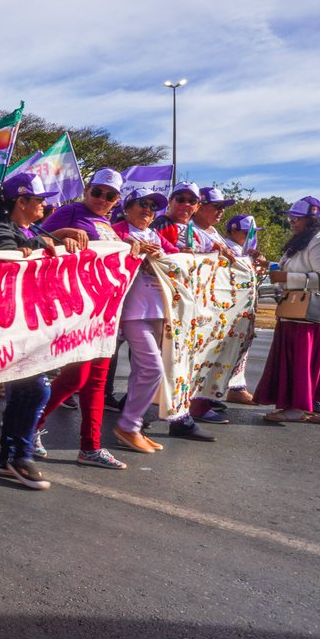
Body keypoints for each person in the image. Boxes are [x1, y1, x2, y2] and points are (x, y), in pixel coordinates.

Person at [0, 172, 81, 489]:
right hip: (10, 324)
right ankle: (17, 455)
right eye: (39, 200)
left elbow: (44, 246)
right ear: (21, 201)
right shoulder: (0, 232)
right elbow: (7, 267)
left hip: (31, 322)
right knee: (34, 388)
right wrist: (39, 249)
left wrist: (61, 242)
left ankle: (12, 456)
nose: (44, 206)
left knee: (29, 390)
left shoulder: (31, 230)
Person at [34, 168, 132, 469]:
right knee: (76, 376)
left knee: (97, 381)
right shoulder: (71, 211)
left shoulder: (108, 225)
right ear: (86, 191)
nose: (102, 199)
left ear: (117, 201)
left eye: (110, 195)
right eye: (97, 192)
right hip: (77, 309)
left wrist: (132, 250)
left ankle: (90, 447)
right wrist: (63, 234)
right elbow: (36, 238)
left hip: (104, 310)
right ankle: (31, 424)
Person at [252, 196, 320, 423]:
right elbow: (289, 268)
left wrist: (287, 277)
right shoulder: (301, 241)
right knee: (308, 363)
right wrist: (268, 265)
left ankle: (297, 408)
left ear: (311, 220)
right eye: (291, 218)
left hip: (311, 313)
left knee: (301, 361)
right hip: (295, 311)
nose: (292, 222)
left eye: (297, 218)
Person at [110, 189, 178, 454]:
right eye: (142, 204)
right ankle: (128, 425)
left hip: (158, 310)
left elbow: (179, 258)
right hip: (131, 311)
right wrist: (130, 246)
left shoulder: (155, 236)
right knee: (153, 369)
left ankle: (132, 428)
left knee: (142, 371)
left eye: (152, 206)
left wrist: (166, 256)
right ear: (128, 207)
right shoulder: (116, 230)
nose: (148, 210)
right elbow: (104, 249)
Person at [176, 186, 238, 426]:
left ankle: (198, 403)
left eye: (223, 208)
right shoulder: (187, 230)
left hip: (211, 303)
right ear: (200, 207)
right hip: (190, 303)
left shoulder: (213, 232)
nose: (221, 212)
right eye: (217, 206)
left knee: (206, 354)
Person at [223, 214, 266, 405]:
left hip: (243, 305)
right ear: (233, 230)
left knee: (242, 347)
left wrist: (259, 263)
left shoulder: (244, 250)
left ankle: (236, 387)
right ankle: (220, 391)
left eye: (253, 233)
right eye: (246, 232)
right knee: (225, 349)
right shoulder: (226, 247)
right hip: (228, 306)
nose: (251, 237)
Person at [150, 181, 201, 246]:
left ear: (197, 207)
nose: (186, 204)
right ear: (170, 201)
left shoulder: (193, 230)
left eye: (192, 201)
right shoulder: (160, 224)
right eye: (180, 199)